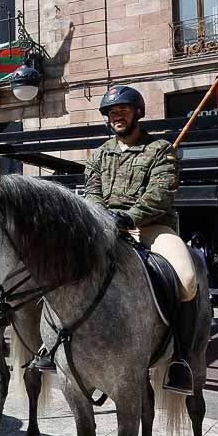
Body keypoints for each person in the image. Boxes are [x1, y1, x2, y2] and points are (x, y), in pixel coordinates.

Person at [82, 85, 200, 393]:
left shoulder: (161, 149)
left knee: (187, 279)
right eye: (111, 113)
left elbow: (159, 194)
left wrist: (128, 218)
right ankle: (59, 345)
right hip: (106, 228)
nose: (117, 117)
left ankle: (181, 360)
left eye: (123, 110)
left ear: (138, 112)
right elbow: (92, 192)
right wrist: (103, 219)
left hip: (150, 227)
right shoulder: (99, 154)